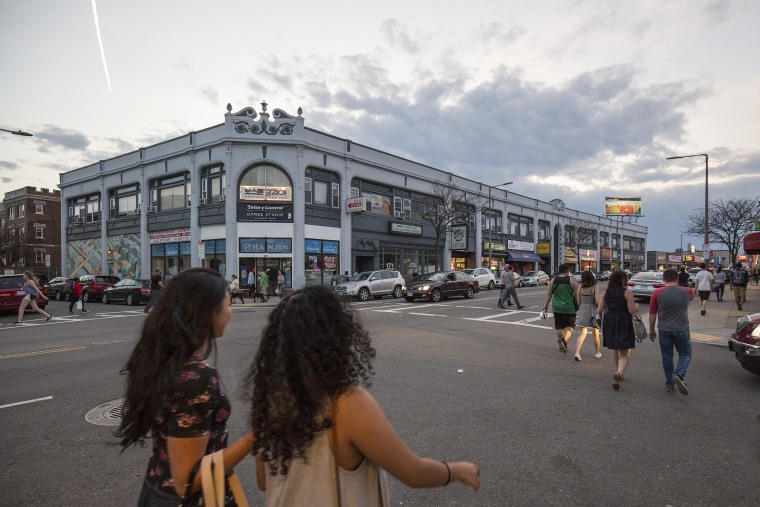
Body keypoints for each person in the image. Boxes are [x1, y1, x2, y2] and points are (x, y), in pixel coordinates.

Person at [244, 286, 481, 506]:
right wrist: (457, 470)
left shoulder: (271, 402)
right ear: (336, 338)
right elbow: (413, 473)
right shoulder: (346, 404)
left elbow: (265, 482)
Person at [117, 268, 254, 505]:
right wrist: (256, 437)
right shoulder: (195, 377)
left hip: (158, 490)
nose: (231, 312)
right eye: (228, 304)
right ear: (209, 312)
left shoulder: (173, 360)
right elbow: (186, 481)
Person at [648, 268, 694, 395]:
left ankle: (669, 385)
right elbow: (691, 298)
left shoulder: (657, 293)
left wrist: (651, 330)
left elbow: (652, 313)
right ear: (677, 279)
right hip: (682, 328)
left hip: (664, 329)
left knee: (667, 356)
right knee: (685, 353)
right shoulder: (687, 291)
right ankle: (679, 373)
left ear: (663, 279)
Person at [597, 270, 638, 391]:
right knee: (624, 351)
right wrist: (635, 307)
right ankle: (619, 372)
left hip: (609, 320)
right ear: (622, 280)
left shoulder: (607, 293)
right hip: (623, 321)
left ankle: (618, 371)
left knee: (615, 348)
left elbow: (599, 309)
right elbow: (631, 311)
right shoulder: (627, 292)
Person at [542, 264, 579, 354]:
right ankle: (564, 340)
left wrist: (546, 305)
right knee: (570, 326)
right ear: (567, 271)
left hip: (557, 307)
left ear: (559, 271)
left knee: (559, 326)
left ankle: (561, 340)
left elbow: (549, 294)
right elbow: (577, 294)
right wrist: (579, 304)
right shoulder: (572, 280)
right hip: (569, 307)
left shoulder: (553, 280)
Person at [574, 271, 602, 361]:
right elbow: (597, 302)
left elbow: (578, 302)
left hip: (583, 311)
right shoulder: (595, 288)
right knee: (596, 334)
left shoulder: (580, 288)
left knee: (582, 333)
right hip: (593, 311)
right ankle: (597, 353)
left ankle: (577, 353)